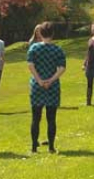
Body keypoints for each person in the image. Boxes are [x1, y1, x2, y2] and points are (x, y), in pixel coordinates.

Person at [27, 22, 66, 153]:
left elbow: (30, 65)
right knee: (51, 118)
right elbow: (61, 68)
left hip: (36, 86)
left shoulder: (34, 48)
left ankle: (33, 147)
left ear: (40, 33)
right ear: (52, 34)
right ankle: (51, 147)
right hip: (53, 86)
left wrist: (39, 80)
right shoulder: (58, 50)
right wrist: (51, 80)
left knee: (35, 117)